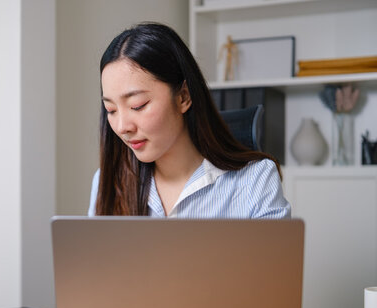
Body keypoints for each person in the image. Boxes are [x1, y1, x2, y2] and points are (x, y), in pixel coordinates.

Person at [88, 22, 290, 219]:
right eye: (111, 110)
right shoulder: (108, 181)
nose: (123, 127)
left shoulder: (256, 181)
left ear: (183, 96)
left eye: (138, 105)